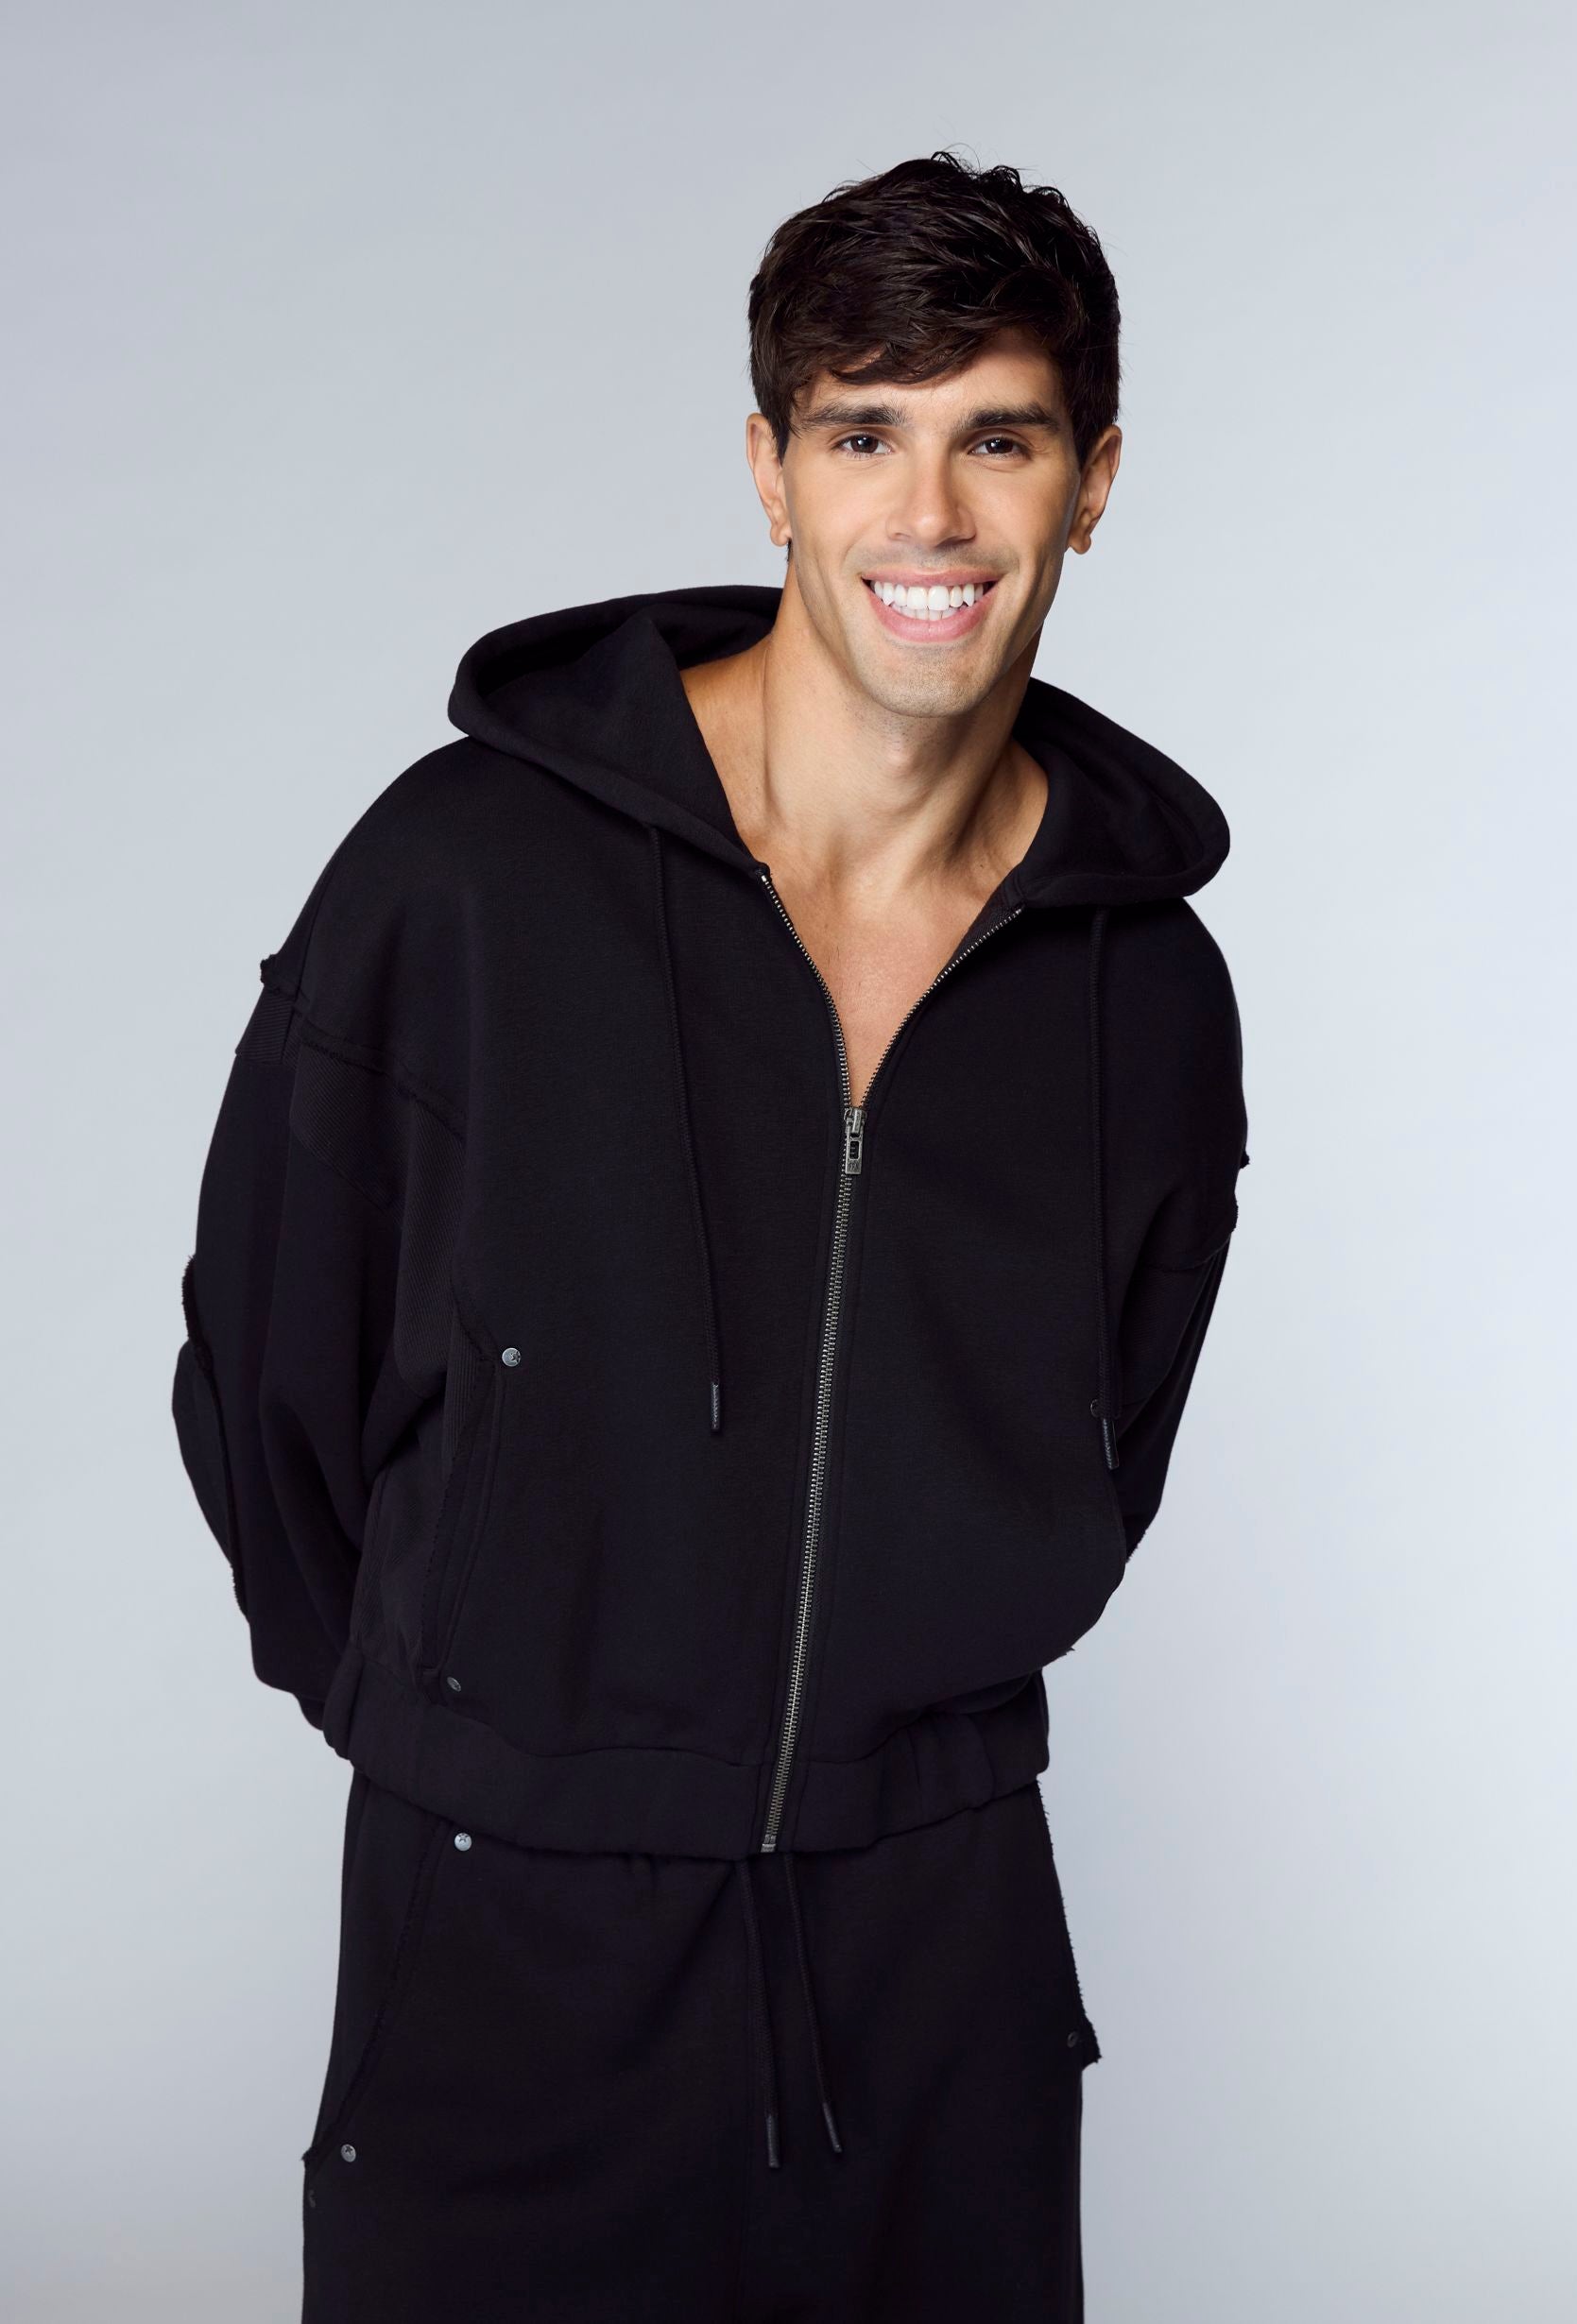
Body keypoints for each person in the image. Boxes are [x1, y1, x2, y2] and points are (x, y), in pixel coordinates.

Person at [171, 148, 1249, 2322]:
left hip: (940, 1953)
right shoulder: (467, 878)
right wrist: (491, 1747)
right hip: (508, 1939)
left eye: (998, 440)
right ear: (769, 470)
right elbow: (267, 1363)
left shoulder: (1141, 983)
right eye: (863, 435)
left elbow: (1106, 1438)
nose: (929, 515)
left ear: (1094, 482)